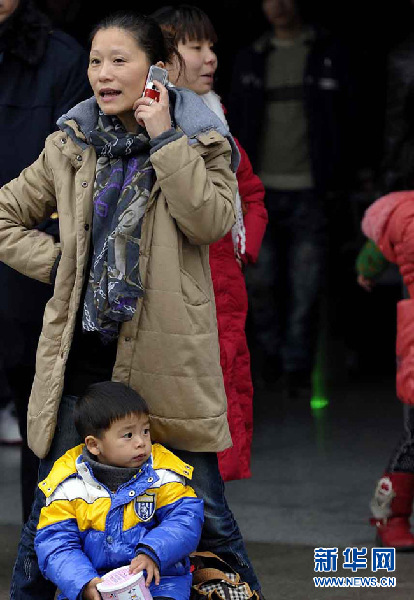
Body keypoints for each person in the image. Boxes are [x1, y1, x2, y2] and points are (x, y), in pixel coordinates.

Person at [0, 11, 264, 600]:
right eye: (96, 61)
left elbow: (211, 220)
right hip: (84, 370)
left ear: (158, 70)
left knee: (209, 518)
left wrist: (166, 137)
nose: (103, 73)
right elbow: (4, 215)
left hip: (169, 363)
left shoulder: (202, 137)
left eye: (120, 60)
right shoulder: (70, 142)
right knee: (54, 509)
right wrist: (65, 266)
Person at [151, 4, 267, 483]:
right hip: (177, 295)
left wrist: (241, 247)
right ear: (161, 58)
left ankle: (201, 541)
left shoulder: (215, 120)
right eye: (196, 47)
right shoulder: (151, 122)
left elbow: (251, 193)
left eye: (212, 46)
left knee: (224, 395)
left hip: (223, 285)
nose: (210, 57)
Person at [227, 0, 356, 397]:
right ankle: (271, 360)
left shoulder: (328, 52)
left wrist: (341, 177)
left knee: (306, 284)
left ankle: (298, 368)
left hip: (311, 190)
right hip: (257, 192)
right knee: (260, 283)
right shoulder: (249, 57)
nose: (278, 5)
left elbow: (350, 118)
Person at [0, 0, 91, 520]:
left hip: (24, 269)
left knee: (41, 420)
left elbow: (76, 174)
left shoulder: (61, 59)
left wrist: (58, 264)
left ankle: (39, 558)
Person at [35, 381, 203, 600]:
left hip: (159, 581)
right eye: (128, 435)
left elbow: (186, 518)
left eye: (145, 431)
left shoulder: (162, 472)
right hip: (97, 584)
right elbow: (55, 542)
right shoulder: (68, 484)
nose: (141, 442)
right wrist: (83, 582)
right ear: (94, 445)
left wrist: (153, 551)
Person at [361, 190, 414, 549]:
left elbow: (374, 253)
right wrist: (367, 269)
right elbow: (376, 250)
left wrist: (366, 271)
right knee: (413, 440)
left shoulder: (401, 213)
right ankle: (389, 515)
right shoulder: (406, 215)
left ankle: (391, 518)